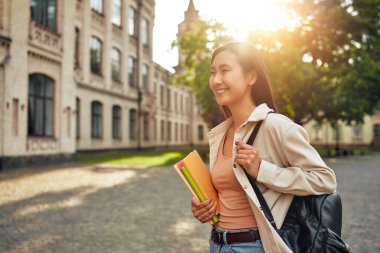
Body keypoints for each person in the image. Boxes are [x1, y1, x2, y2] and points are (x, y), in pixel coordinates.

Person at [191, 41, 337, 253]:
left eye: (225, 70)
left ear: (251, 76)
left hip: (255, 246)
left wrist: (262, 170)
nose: (216, 80)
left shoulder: (276, 126)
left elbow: (325, 179)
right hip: (217, 244)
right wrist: (203, 207)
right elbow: (234, 192)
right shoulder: (220, 134)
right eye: (213, 72)